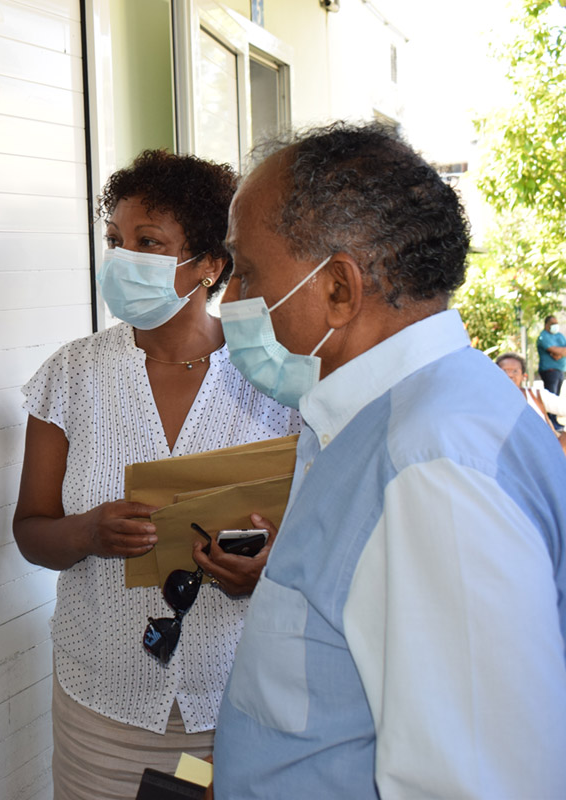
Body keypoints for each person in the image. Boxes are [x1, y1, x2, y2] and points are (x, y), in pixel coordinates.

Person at [212, 121, 566, 798]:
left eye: (248, 273)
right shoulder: (386, 424)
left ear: (339, 289)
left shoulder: (431, 473)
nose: (230, 302)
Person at [12, 150, 300, 799]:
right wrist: (87, 533)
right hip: (102, 707)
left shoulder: (274, 382)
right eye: (115, 239)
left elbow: (317, 538)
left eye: (148, 242)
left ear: (210, 264)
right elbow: (31, 532)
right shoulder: (72, 375)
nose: (121, 257)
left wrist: (263, 569)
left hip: (237, 703)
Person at [495, 352, 566, 456]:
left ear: (524, 376)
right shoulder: (489, 400)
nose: (510, 375)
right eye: (504, 371)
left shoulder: (536, 395)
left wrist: (562, 444)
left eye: (515, 371)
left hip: (542, 458)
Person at [537, 315, 566, 429]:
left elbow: (557, 353)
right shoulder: (543, 337)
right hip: (549, 370)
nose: (555, 326)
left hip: (560, 370)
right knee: (551, 395)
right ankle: (549, 422)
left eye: (556, 323)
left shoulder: (560, 336)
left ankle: (555, 421)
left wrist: (558, 352)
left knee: (557, 396)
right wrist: (559, 351)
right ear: (546, 325)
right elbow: (553, 351)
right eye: (552, 323)